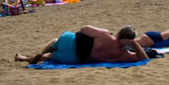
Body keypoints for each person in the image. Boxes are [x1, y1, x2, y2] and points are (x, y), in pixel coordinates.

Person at [15, 26, 148, 65]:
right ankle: (29, 58)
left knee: (55, 42)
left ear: (119, 33)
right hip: (75, 57)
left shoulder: (106, 35)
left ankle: (30, 55)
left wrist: (105, 32)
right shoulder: (122, 54)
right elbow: (143, 58)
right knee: (50, 56)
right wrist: (135, 43)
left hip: (71, 41)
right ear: (130, 41)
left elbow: (84, 29)